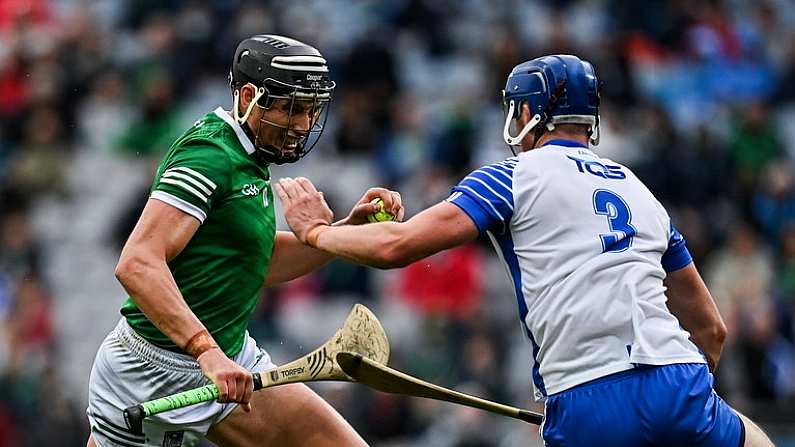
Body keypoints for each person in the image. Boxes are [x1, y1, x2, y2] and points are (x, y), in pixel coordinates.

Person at [276, 55, 775, 446]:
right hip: (679, 380)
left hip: (586, 400)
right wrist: (673, 405)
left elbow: (398, 245)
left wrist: (317, 233)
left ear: (529, 113)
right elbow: (711, 330)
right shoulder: (638, 189)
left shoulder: (510, 175)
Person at [86, 34, 404, 447]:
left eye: (310, 110)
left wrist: (340, 233)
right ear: (251, 96)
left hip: (229, 358)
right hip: (153, 377)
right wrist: (206, 352)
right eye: (291, 109)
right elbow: (137, 263)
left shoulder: (250, 157)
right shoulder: (209, 155)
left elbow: (256, 263)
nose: (304, 125)